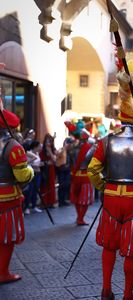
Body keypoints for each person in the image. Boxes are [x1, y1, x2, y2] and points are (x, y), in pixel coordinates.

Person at [87, 70, 133, 300]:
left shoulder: (106, 141)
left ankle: (106, 289)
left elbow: (93, 170)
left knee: (109, 246)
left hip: (111, 199)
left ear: (121, 118)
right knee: (132, 250)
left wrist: (103, 186)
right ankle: (128, 294)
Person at [0, 70, 34, 283]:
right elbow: (22, 175)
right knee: (6, 238)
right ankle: (3, 273)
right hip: (7, 198)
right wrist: (30, 170)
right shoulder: (14, 146)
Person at [67, 123, 95, 226]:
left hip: (75, 175)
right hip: (85, 176)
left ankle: (79, 217)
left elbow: (69, 161)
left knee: (77, 198)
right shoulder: (90, 148)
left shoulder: (72, 147)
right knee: (84, 199)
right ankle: (80, 218)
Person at [23, 140, 43, 214]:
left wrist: (40, 164)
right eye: (39, 147)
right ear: (35, 147)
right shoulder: (29, 153)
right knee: (30, 190)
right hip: (32, 173)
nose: (40, 148)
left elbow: (37, 161)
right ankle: (26, 207)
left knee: (36, 190)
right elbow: (27, 163)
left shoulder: (37, 153)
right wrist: (36, 165)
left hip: (38, 173)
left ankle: (34, 206)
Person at [40, 133, 57, 208]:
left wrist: (50, 151)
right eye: (47, 141)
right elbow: (40, 160)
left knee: (51, 184)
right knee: (44, 185)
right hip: (44, 169)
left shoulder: (53, 149)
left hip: (51, 169)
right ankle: (44, 202)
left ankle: (51, 202)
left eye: (49, 141)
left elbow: (54, 160)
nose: (48, 143)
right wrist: (46, 162)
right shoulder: (42, 150)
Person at [55, 138, 73, 207]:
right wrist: (64, 147)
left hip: (67, 170)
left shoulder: (70, 151)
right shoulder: (61, 149)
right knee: (61, 185)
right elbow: (57, 155)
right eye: (69, 143)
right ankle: (60, 201)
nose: (70, 145)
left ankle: (64, 200)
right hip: (61, 169)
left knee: (66, 185)